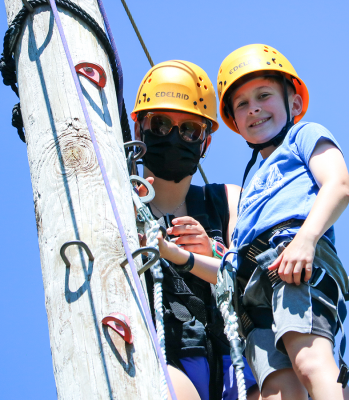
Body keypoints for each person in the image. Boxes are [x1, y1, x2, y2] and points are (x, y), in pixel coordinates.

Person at [157, 45, 349, 400]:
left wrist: (306, 240)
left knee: (311, 361)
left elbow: (338, 186)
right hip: (251, 287)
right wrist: (181, 257)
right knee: (276, 390)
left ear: (294, 104)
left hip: (291, 260)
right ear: (235, 123)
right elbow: (228, 270)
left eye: (264, 96)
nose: (255, 109)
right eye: (242, 105)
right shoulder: (249, 186)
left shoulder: (303, 136)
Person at [131, 60, 259, 400]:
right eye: (159, 124)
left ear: (205, 142)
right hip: (165, 358)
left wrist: (211, 251)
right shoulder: (117, 205)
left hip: (239, 360)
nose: (174, 137)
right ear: (137, 129)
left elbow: (258, 277)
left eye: (189, 129)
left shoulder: (226, 201)